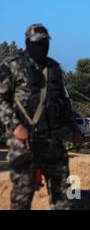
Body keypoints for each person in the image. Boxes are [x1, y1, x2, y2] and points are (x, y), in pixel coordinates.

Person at [0, 24, 81, 210]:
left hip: (52, 141)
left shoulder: (54, 68)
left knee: (64, 195)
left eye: (45, 42)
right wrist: (15, 126)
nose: (42, 47)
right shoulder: (11, 65)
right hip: (24, 143)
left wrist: (75, 129)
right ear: (28, 42)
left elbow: (63, 102)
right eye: (37, 43)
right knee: (23, 194)